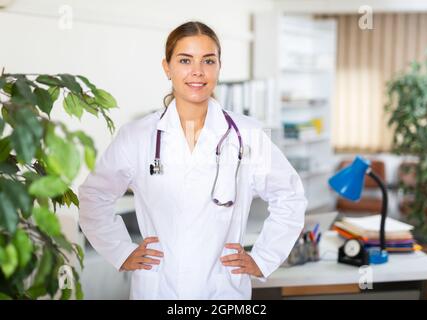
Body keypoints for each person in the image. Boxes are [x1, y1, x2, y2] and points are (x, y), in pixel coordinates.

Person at [78, 21, 307, 300]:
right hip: (158, 287)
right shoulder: (136, 136)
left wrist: (263, 257)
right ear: (167, 67)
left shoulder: (248, 134)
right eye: (185, 60)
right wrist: (121, 251)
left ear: (219, 67)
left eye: (208, 61)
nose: (197, 71)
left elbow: (290, 196)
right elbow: (94, 196)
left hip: (223, 290)